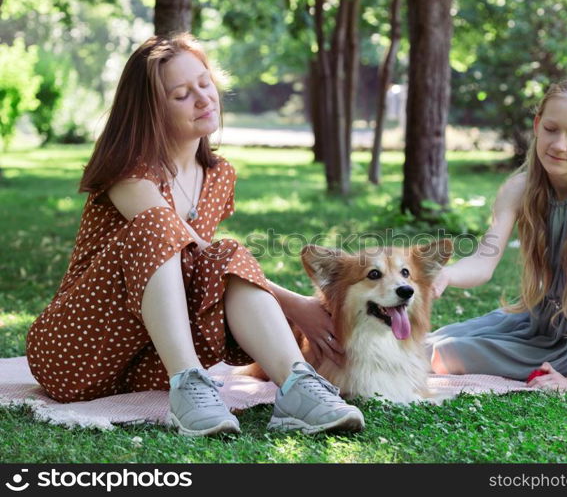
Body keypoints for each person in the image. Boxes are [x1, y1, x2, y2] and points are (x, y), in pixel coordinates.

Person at [25, 34, 363, 436]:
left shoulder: (220, 176)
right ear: (151, 111)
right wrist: (293, 304)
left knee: (224, 255)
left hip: (146, 361)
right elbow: (194, 246)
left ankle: (297, 388)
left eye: (205, 83)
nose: (205, 99)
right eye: (182, 94)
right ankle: (188, 385)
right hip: (76, 352)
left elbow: (204, 268)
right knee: (181, 235)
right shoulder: (130, 173)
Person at [427, 77, 567, 392]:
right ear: (537, 124)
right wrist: (446, 274)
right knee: (439, 338)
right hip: (548, 316)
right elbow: (483, 263)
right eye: (552, 129)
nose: (559, 144)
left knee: (442, 355)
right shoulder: (520, 187)